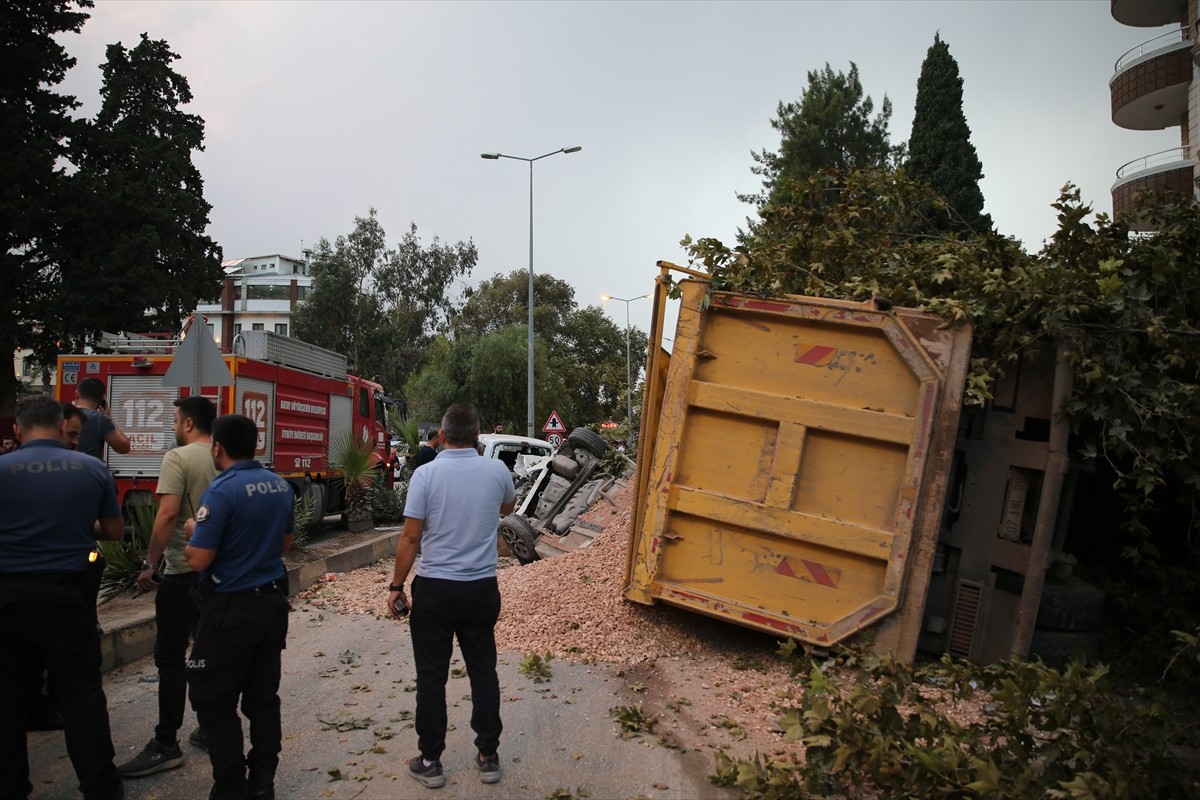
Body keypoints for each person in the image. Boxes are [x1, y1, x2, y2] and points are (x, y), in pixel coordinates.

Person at [0, 394, 125, 800]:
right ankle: (101, 788)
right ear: (60, 426)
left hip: (8, 600)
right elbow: (112, 531)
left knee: (8, 700)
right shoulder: (92, 469)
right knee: (81, 696)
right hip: (68, 598)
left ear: (17, 429)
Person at [387, 403, 516, 789]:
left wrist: (396, 586)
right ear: (477, 436)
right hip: (481, 589)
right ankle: (488, 755)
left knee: (431, 677)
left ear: (441, 436)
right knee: (483, 671)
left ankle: (430, 760)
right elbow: (507, 506)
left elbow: (410, 537)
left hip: (435, 591)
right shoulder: (496, 470)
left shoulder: (425, 475)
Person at [184, 413, 294, 800]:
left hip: (229, 612)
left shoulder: (221, 491)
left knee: (213, 701)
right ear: (254, 445)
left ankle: (231, 786)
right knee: (263, 700)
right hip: (271, 606)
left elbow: (199, 559)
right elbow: (284, 545)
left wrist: (192, 532)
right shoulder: (280, 485)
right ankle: (263, 782)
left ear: (217, 448)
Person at [118, 396, 218, 779]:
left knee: (171, 658)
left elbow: (168, 514)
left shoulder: (178, 458)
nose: (173, 427)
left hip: (182, 573)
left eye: (175, 420)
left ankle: (166, 743)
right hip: (216, 576)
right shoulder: (224, 455)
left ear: (188, 423)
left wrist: (149, 563)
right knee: (206, 654)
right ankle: (211, 727)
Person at [75, 377, 131, 460]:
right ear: (102, 400)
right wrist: (109, 418)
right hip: (89, 467)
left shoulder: (61, 413)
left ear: (76, 394)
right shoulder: (99, 419)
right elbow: (124, 447)